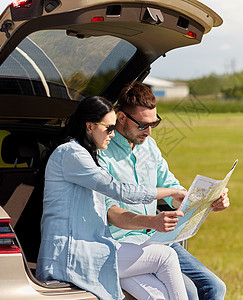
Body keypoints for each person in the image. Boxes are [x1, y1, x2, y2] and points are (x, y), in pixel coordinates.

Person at [36, 96, 189, 300]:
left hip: (97, 248)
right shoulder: (70, 153)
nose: (113, 133)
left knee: (158, 296)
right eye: (108, 128)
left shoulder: (86, 154)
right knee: (166, 256)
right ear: (89, 126)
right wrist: (170, 192)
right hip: (71, 254)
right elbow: (118, 190)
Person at [98, 82, 229, 300]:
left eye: (154, 123)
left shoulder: (150, 147)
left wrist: (209, 200)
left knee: (215, 287)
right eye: (142, 125)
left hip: (158, 239)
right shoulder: (103, 151)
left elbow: (174, 192)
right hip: (125, 244)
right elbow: (108, 212)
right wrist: (150, 221)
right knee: (189, 292)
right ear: (121, 118)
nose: (149, 132)